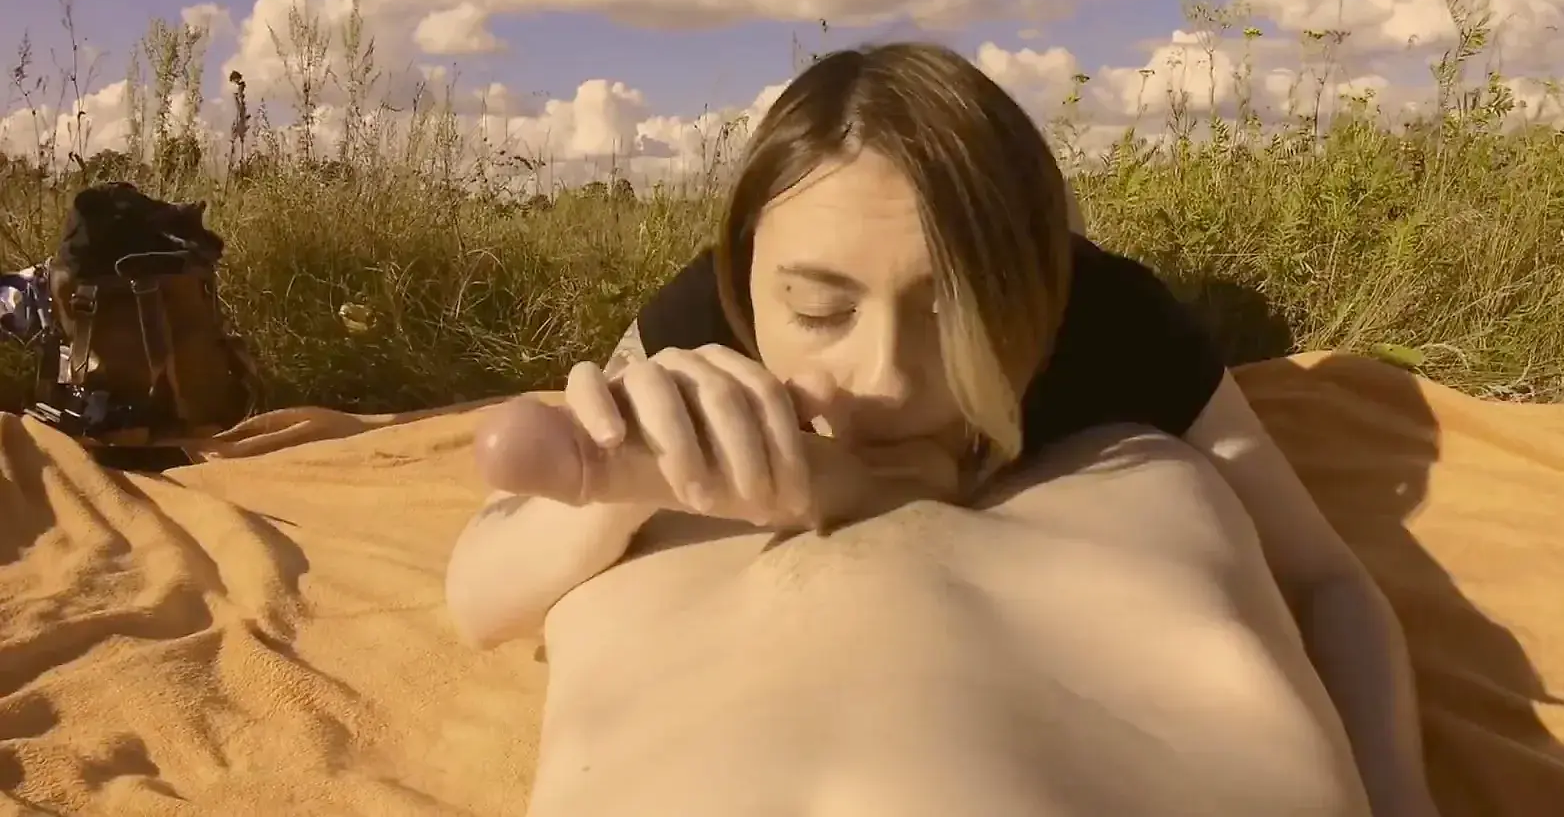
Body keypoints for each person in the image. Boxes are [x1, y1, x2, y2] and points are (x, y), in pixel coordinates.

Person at [444, 42, 1439, 817]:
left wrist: (1401, 800)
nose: (882, 376)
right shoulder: (703, 316)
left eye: (949, 313)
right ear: (753, 276)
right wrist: (614, 491)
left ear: (1037, 289)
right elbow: (483, 598)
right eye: (820, 312)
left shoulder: (1111, 324)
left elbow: (1326, 578)